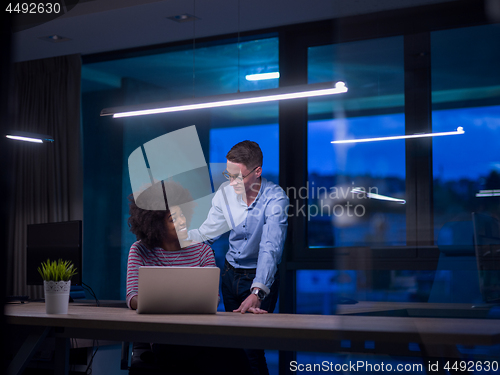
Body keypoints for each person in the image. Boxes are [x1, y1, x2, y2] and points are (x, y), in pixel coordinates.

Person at [126, 181, 251, 374]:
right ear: (156, 223)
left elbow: (213, 299)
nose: (182, 221)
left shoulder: (202, 251)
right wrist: (179, 302)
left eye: (182, 214)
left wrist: (166, 301)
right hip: (163, 337)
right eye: (173, 218)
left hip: (200, 333)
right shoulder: (140, 250)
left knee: (237, 357)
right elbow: (133, 298)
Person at [188, 140, 289, 375]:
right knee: (232, 349)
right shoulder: (226, 192)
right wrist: (176, 238)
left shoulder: (276, 199)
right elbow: (206, 234)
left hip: (258, 279)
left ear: (258, 172)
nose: (232, 183)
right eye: (228, 175)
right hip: (229, 274)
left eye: (238, 177)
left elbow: (270, 247)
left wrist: (257, 292)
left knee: (252, 351)